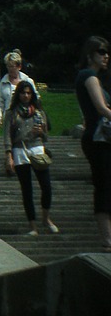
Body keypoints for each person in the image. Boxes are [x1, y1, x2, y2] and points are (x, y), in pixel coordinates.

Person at [4, 80, 58, 236]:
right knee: (27, 190)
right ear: (18, 95)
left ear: (32, 94)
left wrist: (40, 132)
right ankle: (32, 225)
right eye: (23, 93)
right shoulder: (11, 112)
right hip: (20, 150)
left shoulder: (39, 112)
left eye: (28, 93)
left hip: (37, 148)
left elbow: (46, 136)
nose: (25, 96)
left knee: (46, 186)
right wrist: (9, 155)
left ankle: (46, 218)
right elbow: (7, 135)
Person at [74, 35, 111, 250]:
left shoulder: (91, 76)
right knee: (104, 185)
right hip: (99, 139)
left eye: (107, 52)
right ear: (90, 55)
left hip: (99, 138)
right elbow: (101, 108)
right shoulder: (88, 75)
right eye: (101, 52)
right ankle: (107, 238)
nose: (106, 57)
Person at [0, 49, 36, 127]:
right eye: (8, 66)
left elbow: (36, 99)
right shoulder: (2, 84)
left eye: (12, 66)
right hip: (10, 120)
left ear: (19, 66)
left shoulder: (28, 81)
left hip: (27, 118)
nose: (10, 69)